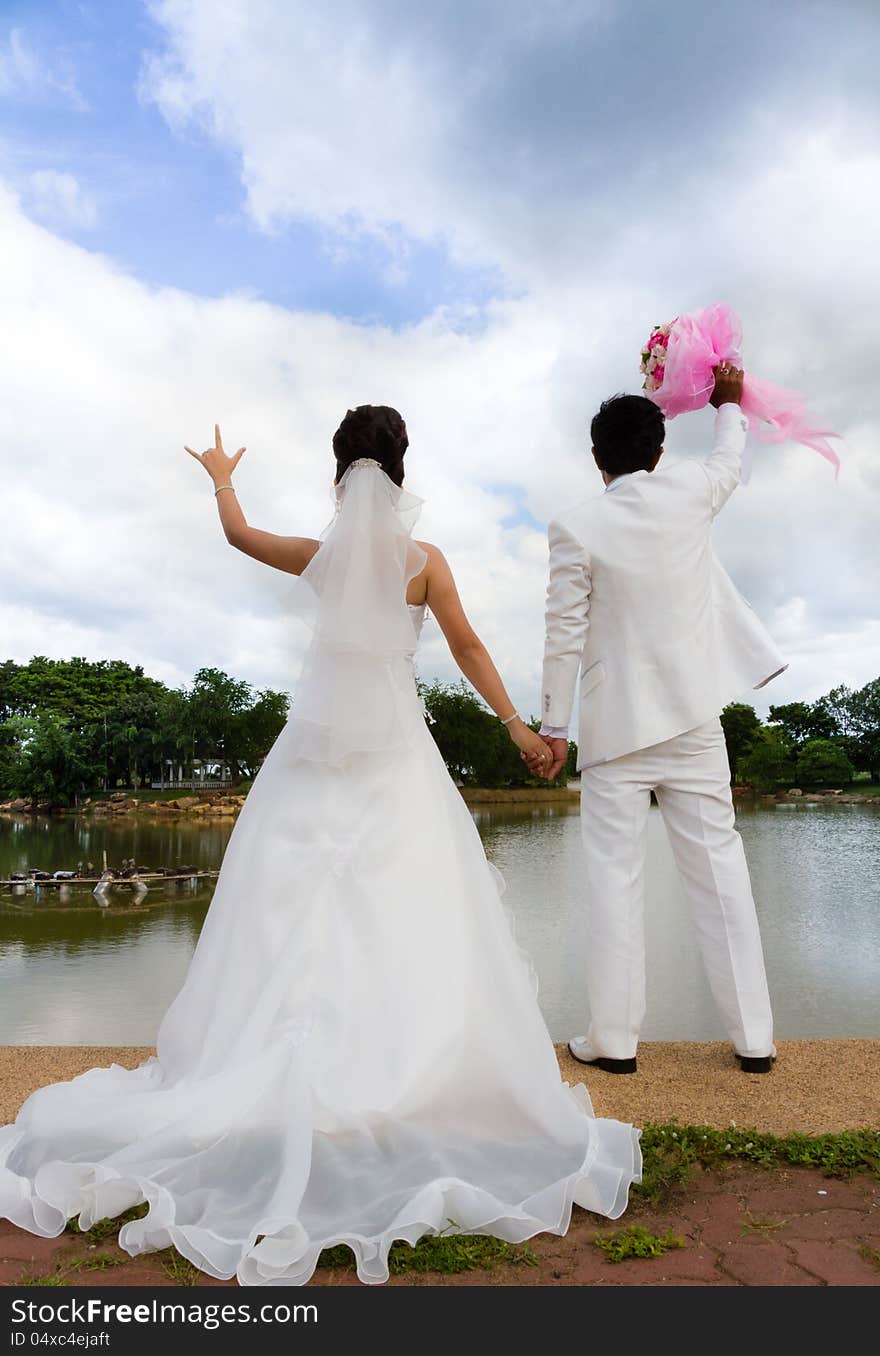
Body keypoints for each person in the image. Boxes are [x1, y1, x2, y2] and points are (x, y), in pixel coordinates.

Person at [0, 406, 640, 1287]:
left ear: (339, 472)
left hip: (308, 761)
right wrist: (520, 728)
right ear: (402, 470)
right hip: (396, 759)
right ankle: (402, 1071)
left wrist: (222, 473)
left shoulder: (321, 554)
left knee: (285, 906)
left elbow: (236, 534)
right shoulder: (426, 564)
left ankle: (273, 1066)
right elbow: (468, 645)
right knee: (409, 907)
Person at [532, 367, 784, 1075]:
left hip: (614, 728)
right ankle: (755, 1041)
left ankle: (613, 1041)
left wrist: (555, 726)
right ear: (659, 451)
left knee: (614, 883)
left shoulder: (575, 526)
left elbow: (563, 632)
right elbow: (731, 455)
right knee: (721, 875)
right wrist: (728, 399)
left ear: (596, 457)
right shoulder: (691, 493)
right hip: (696, 719)